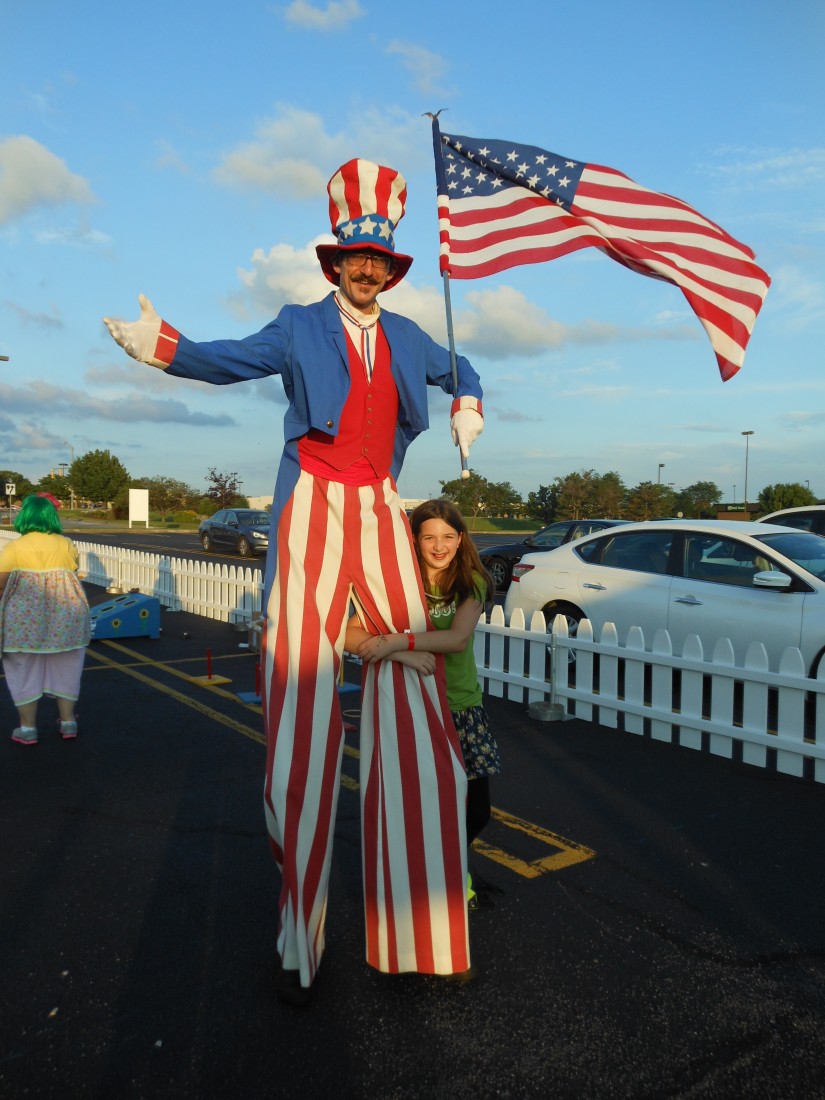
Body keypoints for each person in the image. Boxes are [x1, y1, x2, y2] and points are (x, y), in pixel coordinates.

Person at [103, 158, 485, 1005]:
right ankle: (298, 940)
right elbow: (225, 359)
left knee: (415, 694)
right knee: (299, 716)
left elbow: (465, 369)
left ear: (391, 267)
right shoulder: (297, 325)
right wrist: (163, 347)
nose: (366, 266)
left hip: (381, 505)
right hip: (312, 502)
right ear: (334, 262)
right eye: (354, 254)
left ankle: (418, 930)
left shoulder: (411, 336)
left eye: (377, 258)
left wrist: (467, 403)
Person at [348, 499, 501, 906]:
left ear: (461, 538)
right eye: (429, 536)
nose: (439, 546)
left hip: (461, 707)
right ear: (413, 539)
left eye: (448, 537)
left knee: (475, 810)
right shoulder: (397, 583)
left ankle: (447, 867)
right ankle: (433, 881)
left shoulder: (472, 580)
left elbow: (456, 639)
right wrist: (401, 655)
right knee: (419, 803)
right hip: (412, 707)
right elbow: (348, 632)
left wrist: (396, 641)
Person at [0, 495, 90, 744]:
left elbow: (1, 583)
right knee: (68, 667)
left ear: (24, 516)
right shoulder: (67, 544)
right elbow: (71, 572)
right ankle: (69, 721)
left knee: (22, 669)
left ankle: (28, 728)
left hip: (24, 622)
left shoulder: (14, 548)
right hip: (66, 617)